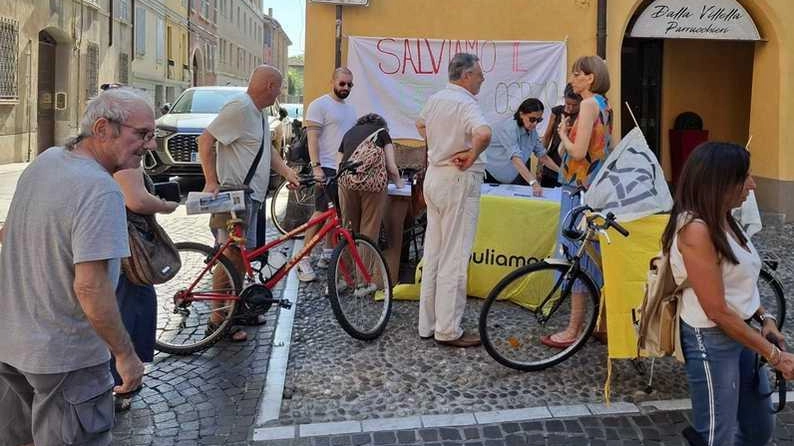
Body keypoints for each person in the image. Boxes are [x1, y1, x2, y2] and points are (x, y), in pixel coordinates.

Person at [0, 87, 149, 445]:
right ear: (102, 128)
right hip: (68, 359)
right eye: (141, 134)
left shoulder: (47, 160)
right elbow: (91, 287)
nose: (151, 144)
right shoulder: (100, 189)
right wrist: (125, 355)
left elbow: (9, 234)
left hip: (12, 347)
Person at [661, 141, 794, 445]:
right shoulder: (695, 229)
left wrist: (766, 317)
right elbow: (717, 310)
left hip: (741, 330)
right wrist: (775, 355)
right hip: (711, 338)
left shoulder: (725, 218)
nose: (753, 184)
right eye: (745, 177)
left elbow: (740, 281)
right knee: (716, 437)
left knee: (759, 428)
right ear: (721, 182)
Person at [198, 65, 299, 342]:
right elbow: (205, 140)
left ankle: (237, 311)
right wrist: (210, 180)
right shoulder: (240, 108)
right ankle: (218, 321)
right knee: (230, 256)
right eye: (279, 88)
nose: (280, 93)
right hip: (234, 196)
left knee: (243, 258)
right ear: (269, 86)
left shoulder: (258, 114)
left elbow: (265, 153)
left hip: (250, 197)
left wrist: (287, 172)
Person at [415, 53, 492, 348]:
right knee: (454, 256)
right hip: (457, 178)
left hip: (435, 176)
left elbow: (420, 124)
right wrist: (471, 153)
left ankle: (428, 324)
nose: (482, 79)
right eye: (479, 74)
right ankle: (447, 329)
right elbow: (484, 133)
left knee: (433, 252)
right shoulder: (466, 103)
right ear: (466, 76)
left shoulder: (436, 99)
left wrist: (438, 145)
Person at [542, 55, 612, 348]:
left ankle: (573, 330)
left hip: (577, 187)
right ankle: (601, 323)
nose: (572, 78)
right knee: (595, 257)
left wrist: (562, 135)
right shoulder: (604, 105)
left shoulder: (586, 104)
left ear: (590, 78)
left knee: (577, 256)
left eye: (576, 74)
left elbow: (579, 152)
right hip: (594, 186)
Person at [111, 167, 179, 412]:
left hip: (123, 254)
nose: (151, 143)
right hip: (129, 255)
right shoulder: (124, 159)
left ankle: (121, 378)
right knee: (130, 313)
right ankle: (123, 381)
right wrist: (165, 205)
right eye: (145, 134)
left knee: (129, 308)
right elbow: (137, 200)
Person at [298, 67, 358, 282]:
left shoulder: (351, 110)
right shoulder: (319, 105)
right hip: (326, 168)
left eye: (350, 84)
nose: (346, 87)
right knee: (320, 213)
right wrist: (316, 167)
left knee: (338, 216)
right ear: (332, 81)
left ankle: (327, 253)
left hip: (342, 169)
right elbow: (312, 138)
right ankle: (302, 259)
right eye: (342, 83)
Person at [337, 113, 403, 244]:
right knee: (369, 230)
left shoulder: (349, 133)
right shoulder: (382, 133)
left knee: (349, 230)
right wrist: (400, 184)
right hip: (372, 187)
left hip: (346, 184)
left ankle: (346, 262)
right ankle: (365, 264)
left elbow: (339, 165)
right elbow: (391, 167)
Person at [484, 98, 559, 196]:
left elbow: (543, 156)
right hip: (489, 177)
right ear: (521, 114)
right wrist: (533, 182)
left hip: (511, 178)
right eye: (532, 119)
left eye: (539, 120)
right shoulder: (509, 128)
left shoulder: (532, 132)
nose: (535, 123)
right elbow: (516, 159)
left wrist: (562, 173)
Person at [540, 83, 582, 188]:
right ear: (564, 99)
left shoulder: (583, 115)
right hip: (552, 162)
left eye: (575, 105)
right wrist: (539, 165)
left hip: (571, 164)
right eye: (568, 104)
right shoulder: (557, 112)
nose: (571, 108)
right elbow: (547, 136)